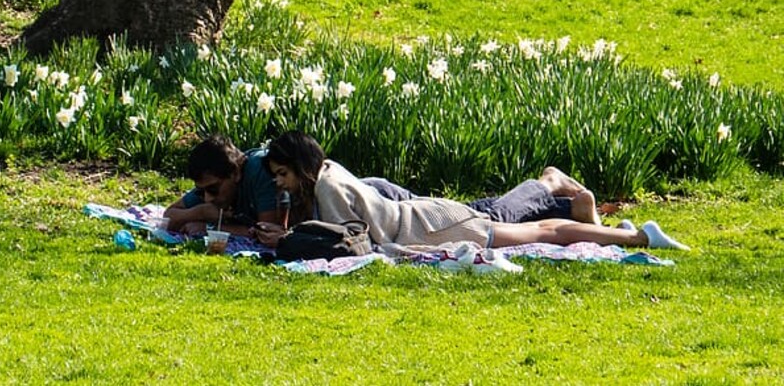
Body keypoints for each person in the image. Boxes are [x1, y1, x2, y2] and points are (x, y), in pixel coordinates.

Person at [255, 131, 689, 252]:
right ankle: (628, 233)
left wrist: (288, 239)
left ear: (300, 168)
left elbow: (353, 240)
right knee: (544, 229)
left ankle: (638, 236)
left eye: (281, 174)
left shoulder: (328, 186)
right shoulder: (328, 175)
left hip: (433, 229)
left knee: (549, 233)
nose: (278, 183)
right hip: (426, 223)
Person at [362, 165, 601, 225]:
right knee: (471, 214)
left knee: (484, 222)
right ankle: (568, 209)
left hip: (376, 201)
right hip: (374, 197)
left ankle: (548, 183)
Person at [163, 135, 284, 237]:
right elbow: (168, 218)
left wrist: (212, 228)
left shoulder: (260, 170)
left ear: (235, 173)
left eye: (213, 189)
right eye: (201, 191)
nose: (207, 199)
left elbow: (267, 232)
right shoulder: (212, 180)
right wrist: (200, 212)